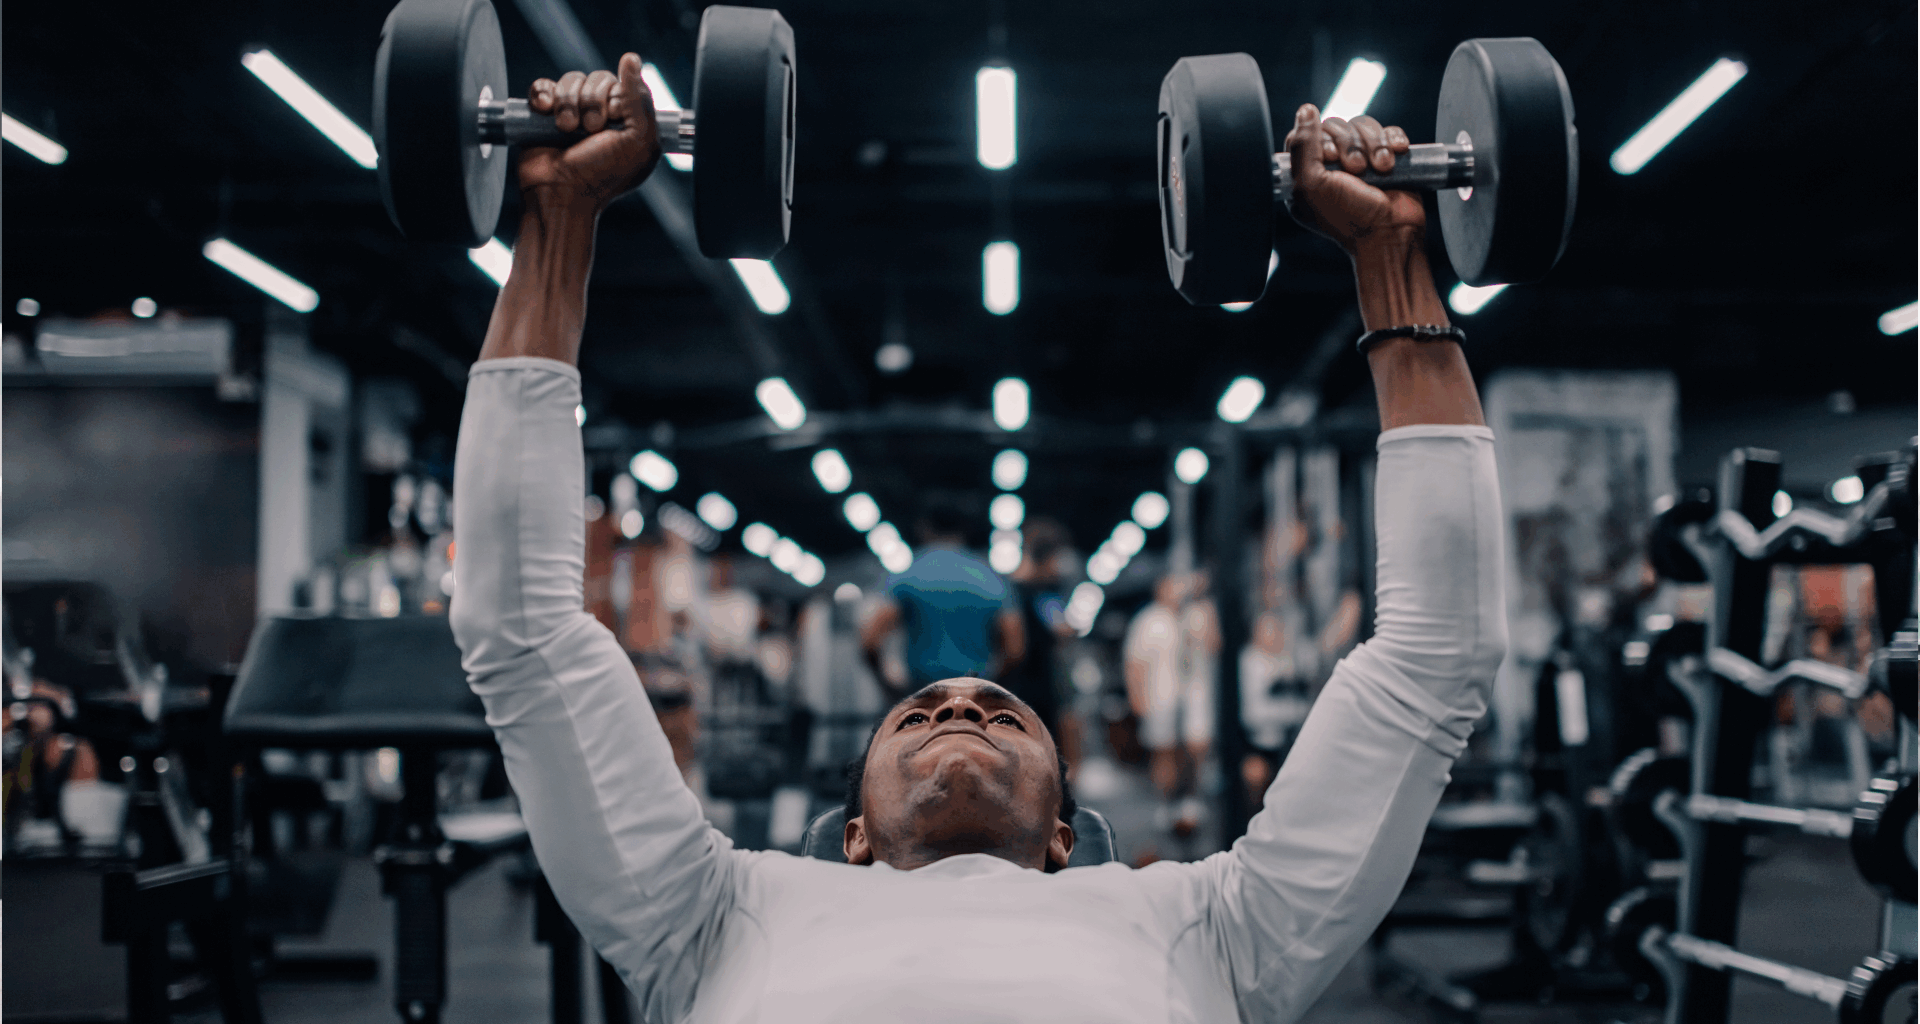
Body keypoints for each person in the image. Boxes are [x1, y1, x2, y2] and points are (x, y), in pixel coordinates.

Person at [449, 57, 1505, 1022]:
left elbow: (1433, 659)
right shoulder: (715, 913)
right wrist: (555, 212)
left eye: (995, 709)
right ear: (850, 838)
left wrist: (1396, 258)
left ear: (1065, 841)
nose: (962, 700)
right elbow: (525, 633)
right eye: (926, 709)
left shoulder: (1214, 927)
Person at [858, 494, 1024, 697]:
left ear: (923, 528)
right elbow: (1015, 648)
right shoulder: (993, 578)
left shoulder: (907, 575)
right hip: (976, 693)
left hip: (925, 695)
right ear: (965, 529)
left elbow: (870, 640)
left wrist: (888, 686)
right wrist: (994, 688)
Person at [1124, 571, 1220, 837]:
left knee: (1196, 748)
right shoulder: (1148, 621)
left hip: (1196, 694)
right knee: (1164, 751)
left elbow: (1215, 646)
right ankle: (1167, 803)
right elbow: (1134, 662)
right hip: (1160, 696)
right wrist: (1137, 698)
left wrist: (1204, 605)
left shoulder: (1198, 615)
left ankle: (1191, 799)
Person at [1005, 518, 1079, 771]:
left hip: (1012, 682)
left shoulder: (1007, 589)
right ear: (1048, 556)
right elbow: (1064, 629)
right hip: (1038, 685)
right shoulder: (1043, 592)